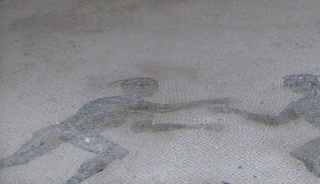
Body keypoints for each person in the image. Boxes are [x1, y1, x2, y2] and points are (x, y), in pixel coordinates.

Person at [0, 77, 228, 184]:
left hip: (54, 130)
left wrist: (191, 126)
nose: (154, 90)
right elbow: (167, 109)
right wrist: (208, 103)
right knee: (117, 151)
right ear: (142, 90)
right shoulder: (134, 104)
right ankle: (75, 180)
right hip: (77, 134)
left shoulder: (113, 100)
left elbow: (142, 128)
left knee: (17, 159)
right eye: (152, 87)